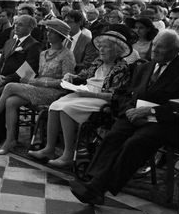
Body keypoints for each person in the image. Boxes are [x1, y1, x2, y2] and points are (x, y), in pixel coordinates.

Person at [70, 30, 179, 205]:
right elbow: (126, 94)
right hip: (135, 114)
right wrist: (129, 110)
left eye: (161, 48)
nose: (154, 50)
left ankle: (98, 187)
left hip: (163, 122)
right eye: (154, 44)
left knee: (134, 143)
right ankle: (93, 180)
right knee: (113, 136)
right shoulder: (144, 67)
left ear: (175, 51)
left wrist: (150, 112)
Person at [29, 31, 132, 168]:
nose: (100, 49)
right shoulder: (98, 62)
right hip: (86, 93)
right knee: (54, 105)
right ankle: (49, 149)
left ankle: (68, 155)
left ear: (116, 50)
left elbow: (115, 95)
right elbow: (83, 75)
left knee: (66, 109)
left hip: (102, 100)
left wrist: (91, 95)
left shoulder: (122, 67)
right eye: (100, 46)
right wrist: (71, 76)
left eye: (105, 47)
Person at [0, 19, 75, 154]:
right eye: (48, 31)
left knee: (9, 86)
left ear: (60, 36)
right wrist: (31, 80)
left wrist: (40, 82)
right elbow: (35, 73)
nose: (48, 34)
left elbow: (66, 83)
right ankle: (9, 141)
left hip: (54, 92)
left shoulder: (67, 54)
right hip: (37, 88)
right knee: (10, 101)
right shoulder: (44, 53)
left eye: (52, 32)